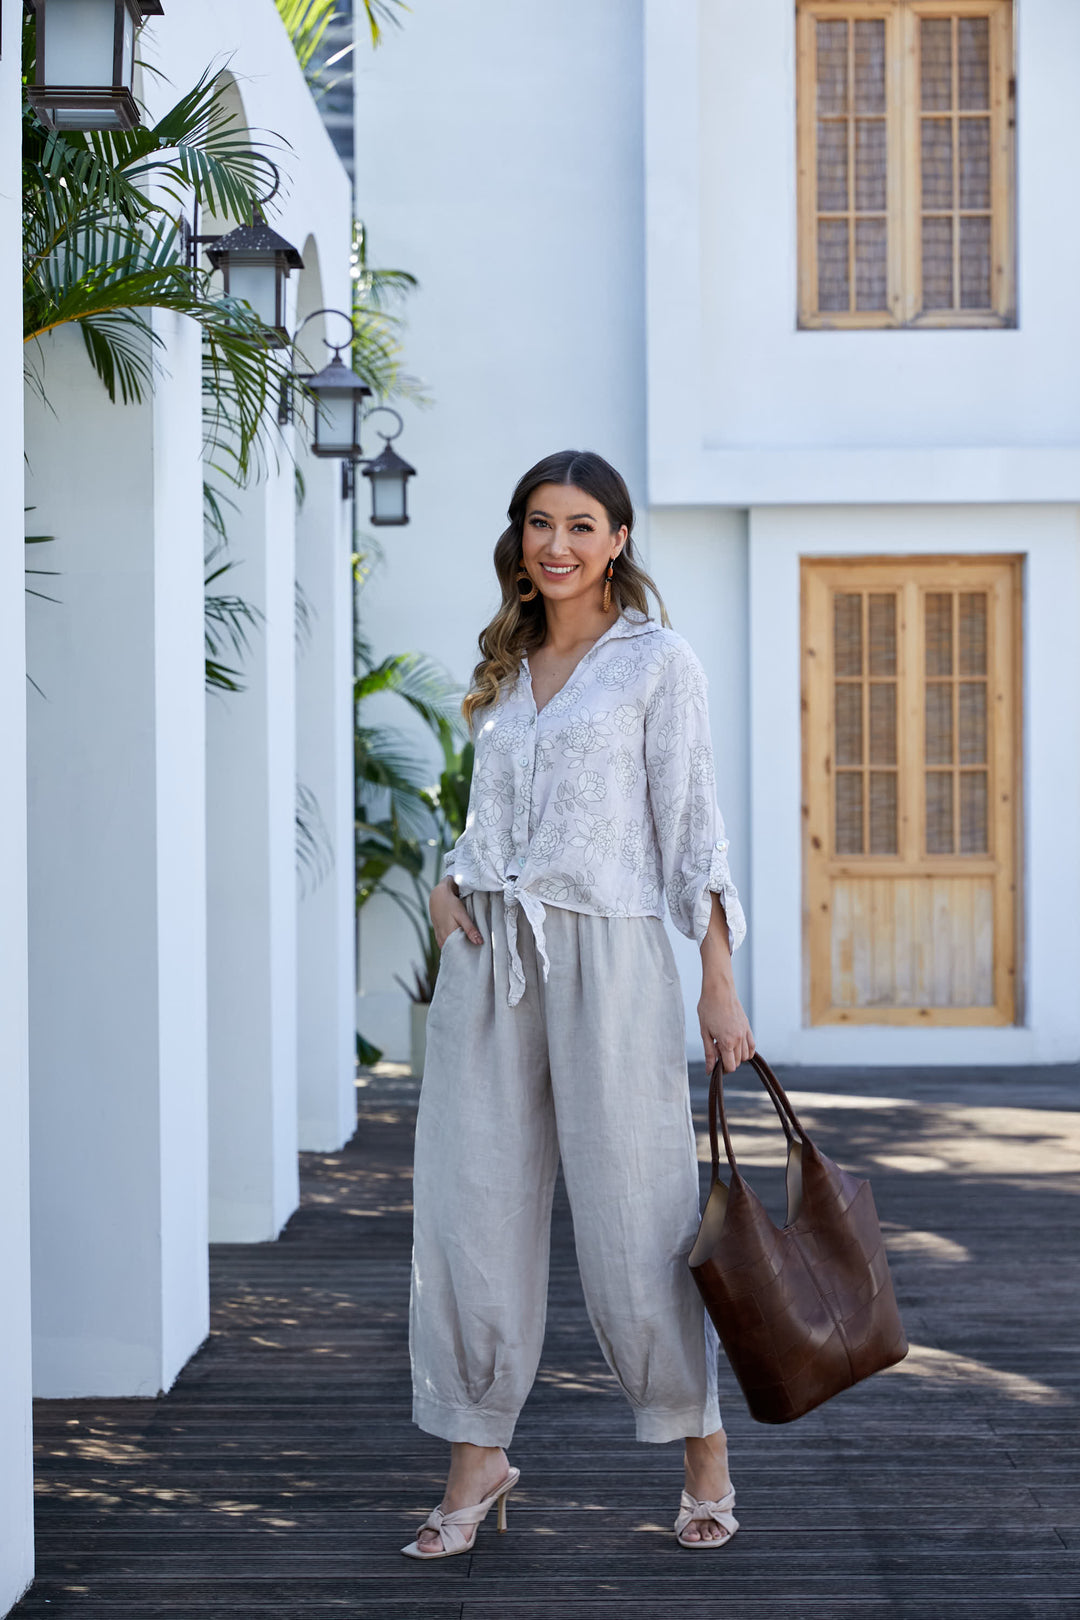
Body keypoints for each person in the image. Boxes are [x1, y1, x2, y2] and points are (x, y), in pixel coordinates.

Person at [401, 450, 754, 1561]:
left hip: (609, 958)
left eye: (582, 525)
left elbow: (692, 830)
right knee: (470, 1210)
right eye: (540, 524)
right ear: (521, 538)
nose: (558, 544)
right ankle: (475, 1451)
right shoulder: (503, 670)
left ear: (619, 540)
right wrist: (447, 888)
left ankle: (699, 1442)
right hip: (491, 955)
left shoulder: (659, 664)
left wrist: (718, 982)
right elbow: (483, 815)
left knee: (639, 1217)